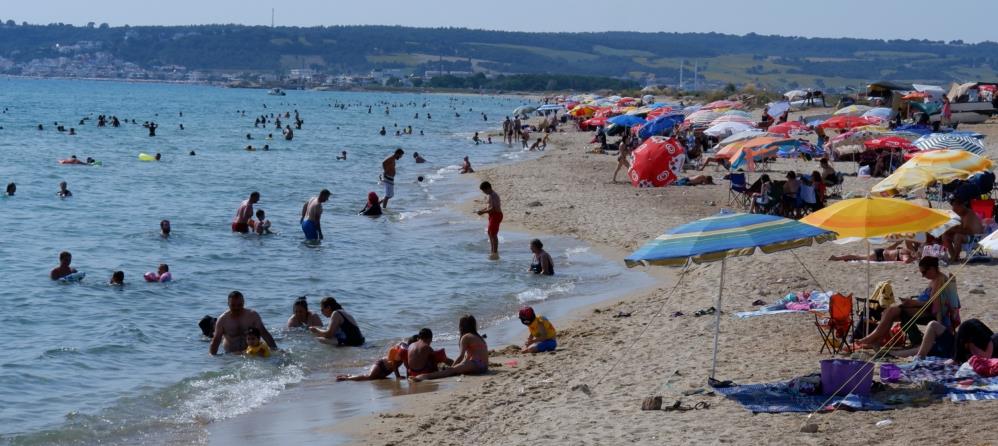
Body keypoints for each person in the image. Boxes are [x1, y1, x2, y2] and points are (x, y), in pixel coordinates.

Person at [855, 257, 960, 351]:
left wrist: (912, 302)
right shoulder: (935, 279)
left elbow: (931, 304)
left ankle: (874, 338)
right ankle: (876, 340)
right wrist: (910, 302)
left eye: (924, 272)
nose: (923, 276)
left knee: (892, 311)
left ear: (932, 269)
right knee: (889, 312)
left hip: (928, 313)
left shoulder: (939, 280)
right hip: (920, 309)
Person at [412, 315, 488, 381]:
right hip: (484, 367)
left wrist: (451, 368)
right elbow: (469, 356)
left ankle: (423, 376)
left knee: (450, 371)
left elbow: (461, 357)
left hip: (476, 364)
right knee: (456, 369)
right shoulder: (478, 337)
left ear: (462, 327)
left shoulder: (466, 337)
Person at [210, 291, 277, 354]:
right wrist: (211, 357)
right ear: (228, 304)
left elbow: (264, 333)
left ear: (244, 302)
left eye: (239, 305)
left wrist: (275, 350)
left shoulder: (252, 316)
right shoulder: (222, 320)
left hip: (251, 352)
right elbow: (216, 341)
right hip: (231, 355)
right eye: (233, 305)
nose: (236, 308)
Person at [337, 336, 416, 381]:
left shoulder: (407, 352)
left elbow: (407, 366)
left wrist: (409, 377)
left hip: (387, 370)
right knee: (369, 377)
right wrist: (398, 376)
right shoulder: (403, 350)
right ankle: (347, 378)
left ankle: (348, 375)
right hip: (381, 364)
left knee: (374, 378)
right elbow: (395, 363)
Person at [476, 181, 502, 259]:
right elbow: (489, 207)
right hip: (492, 215)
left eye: (484, 191)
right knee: (490, 233)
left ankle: (495, 252)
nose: (484, 192)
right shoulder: (490, 195)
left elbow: (492, 209)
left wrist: (482, 212)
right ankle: (492, 250)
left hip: (496, 215)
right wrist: (481, 210)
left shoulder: (493, 195)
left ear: (488, 188)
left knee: (493, 234)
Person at [829, 241, 918, 263]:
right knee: (858, 257)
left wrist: (898, 241)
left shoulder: (903, 250)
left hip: (881, 251)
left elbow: (890, 247)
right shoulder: (905, 253)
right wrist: (914, 258)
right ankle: (837, 258)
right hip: (879, 255)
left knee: (857, 256)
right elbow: (906, 260)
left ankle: (839, 258)